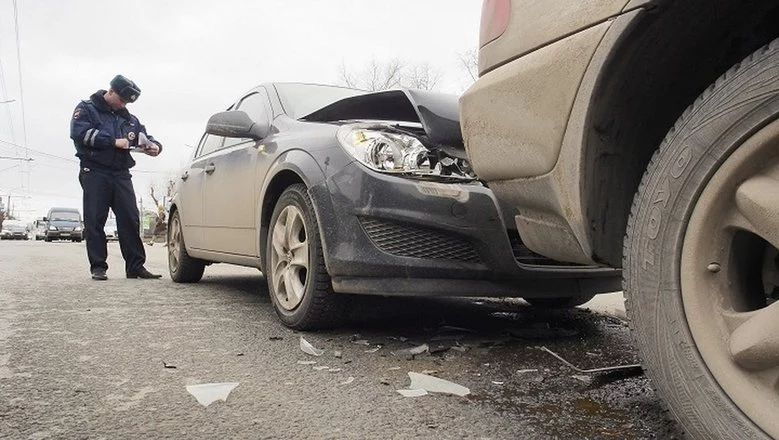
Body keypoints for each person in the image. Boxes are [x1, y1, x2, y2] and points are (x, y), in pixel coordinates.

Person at [70, 74, 163, 280]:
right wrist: (112, 141)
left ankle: (135, 266)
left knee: (130, 219)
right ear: (110, 92)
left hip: (121, 173)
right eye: (120, 100)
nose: (123, 104)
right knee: (95, 220)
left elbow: (143, 136)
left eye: (126, 102)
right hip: (94, 171)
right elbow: (79, 133)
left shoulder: (129, 119)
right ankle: (98, 266)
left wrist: (154, 146)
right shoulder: (86, 109)